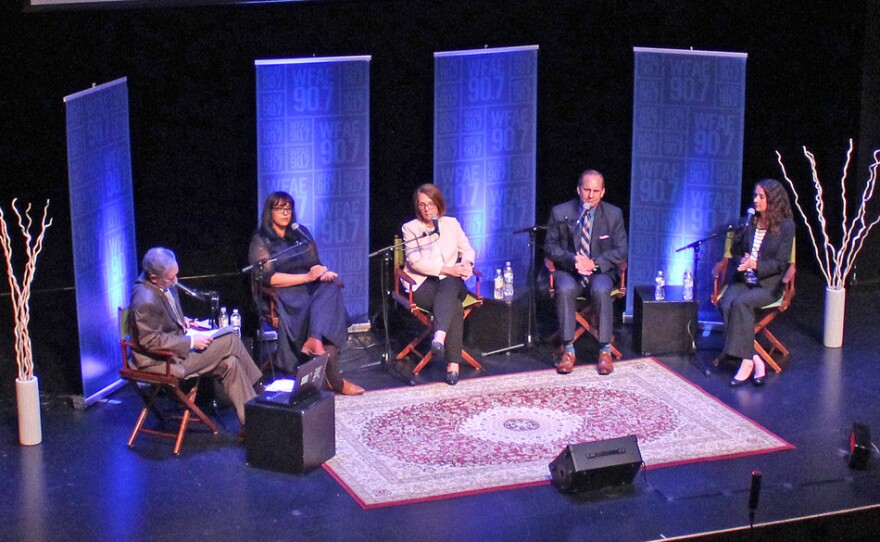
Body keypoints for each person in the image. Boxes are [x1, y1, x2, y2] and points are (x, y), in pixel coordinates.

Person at [129, 247, 263, 433]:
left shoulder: (163, 284)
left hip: (174, 351)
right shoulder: (145, 300)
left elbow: (164, 320)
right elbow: (150, 341)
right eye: (171, 278)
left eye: (176, 274)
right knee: (230, 339)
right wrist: (191, 342)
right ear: (153, 278)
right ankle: (261, 390)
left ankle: (253, 426)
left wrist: (183, 323)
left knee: (230, 364)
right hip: (160, 362)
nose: (175, 280)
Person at [248, 191, 364, 396]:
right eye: (280, 208)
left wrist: (323, 272)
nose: (285, 213)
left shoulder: (300, 233)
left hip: (310, 288)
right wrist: (307, 278)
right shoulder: (261, 241)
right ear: (270, 211)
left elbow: (314, 263)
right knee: (327, 306)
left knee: (331, 288)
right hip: (283, 293)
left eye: (288, 208)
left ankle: (315, 340)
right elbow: (267, 278)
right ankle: (335, 380)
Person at [544, 169, 628, 375]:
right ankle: (568, 350)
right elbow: (550, 247)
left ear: (603, 192)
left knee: (601, 290)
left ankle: (605, 351)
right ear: (578, 190)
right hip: (569, 270)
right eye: (587, 190)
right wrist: (574, 260)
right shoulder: (560, 212)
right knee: (564, 289)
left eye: (595, 191)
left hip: (599, 271)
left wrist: (594, 263)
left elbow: (621, 250)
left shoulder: (613, 214)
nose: (591, 195)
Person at [718, 178, 795, 387]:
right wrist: (743, 262)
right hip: (745, 279)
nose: (756, 200)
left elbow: (781, 264)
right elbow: (734, 252)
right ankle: (754, 358)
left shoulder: (786, 227)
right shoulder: (749, 222)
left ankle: (745, 364)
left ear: (773, 200)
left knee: (741, 304)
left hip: (768, 285)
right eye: (755, 196)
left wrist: (755, 264)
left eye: (761, 197)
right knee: (725, 303)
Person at [400, 183, 476, 385]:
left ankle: (438, 338)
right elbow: (414, 262)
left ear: (438, 204)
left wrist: (466, 263)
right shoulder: (411, 228)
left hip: (452, 282)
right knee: (455, 307)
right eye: (422, 205)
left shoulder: (451, 224)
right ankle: (453, 365)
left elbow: (467, 250)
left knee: (450, 283)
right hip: (423, 284)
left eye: (430, 205)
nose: (426, 209)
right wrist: (447, 269)